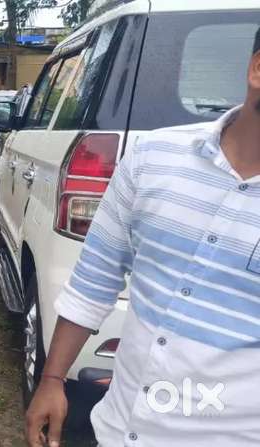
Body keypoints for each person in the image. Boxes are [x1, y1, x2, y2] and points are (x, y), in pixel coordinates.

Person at [26, 28, 260, 446]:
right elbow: (95, 278)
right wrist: (53, 378)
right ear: (257, 69)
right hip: (115, 430)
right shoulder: (154, 157)